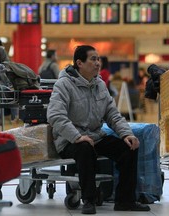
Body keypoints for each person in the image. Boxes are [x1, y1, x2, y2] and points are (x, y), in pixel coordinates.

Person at [47, 45, 150, 214]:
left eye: (98, 59)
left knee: (128, 149)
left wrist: (127, 134)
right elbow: (55, 116)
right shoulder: (63, 84)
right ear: (79, 63)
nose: (97, 63)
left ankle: (125, 200)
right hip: (69, 140)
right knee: (85, 148)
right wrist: (77, 136)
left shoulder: (100, 85)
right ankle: (88, 199)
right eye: (93, 59)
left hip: (95, 136)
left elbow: (113, 115)